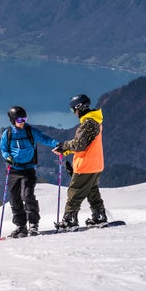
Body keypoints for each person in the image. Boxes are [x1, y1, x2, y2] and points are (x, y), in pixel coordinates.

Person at [0, 106, 60, 238]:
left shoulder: (31, 131)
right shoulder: (8, 134)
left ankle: (33, 224)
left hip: (28, 169)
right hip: (13, 170)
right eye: (20, 119)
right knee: (14, 199)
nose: (23, 121)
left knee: (27, 196)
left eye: (25, 118)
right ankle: (21, 227)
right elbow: (4, 149)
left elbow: (45, 138)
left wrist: (58, 144)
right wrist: (7, 157)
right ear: (13, 120)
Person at [52, 94, 106, 229]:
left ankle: (70, 220)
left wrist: (64, 147)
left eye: (72, 110)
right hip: (96, 163)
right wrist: (66, 151)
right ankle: (99, 216)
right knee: (92, 190)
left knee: (74, 191)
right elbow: (83, 144)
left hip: (86, 165)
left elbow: (79, 145)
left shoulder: (88, 123)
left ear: (79, 107)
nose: (74, 113)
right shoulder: (95, 121)